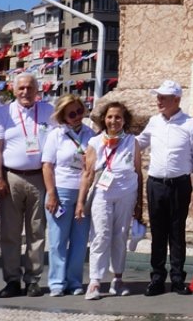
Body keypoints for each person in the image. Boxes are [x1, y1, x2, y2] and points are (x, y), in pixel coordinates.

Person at [137, 80, 193, 296]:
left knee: (177, 232)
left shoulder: (191, 124)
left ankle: (177, 278)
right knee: (157, 233)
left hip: (179, 184)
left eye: (163, 97)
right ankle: (157, 278)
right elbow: (138, 143)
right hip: (156, 183)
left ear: (176, 100)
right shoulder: (154, 122)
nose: (158, 100)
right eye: (158, 96)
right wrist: (111, 141)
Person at [0, 73, 54, 297]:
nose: (25, 92)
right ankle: (12, 279)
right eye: (21, 88)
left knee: (37, 231)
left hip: (39, 177)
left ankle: (33, 279)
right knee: (10, 232)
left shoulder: (48, 111)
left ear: (37, 90)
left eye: (30, 88)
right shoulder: (3, 112)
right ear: (14, 90)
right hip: (12, 177)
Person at [76, 102, 143, 300]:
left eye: (118, 117)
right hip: (102, 194)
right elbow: (87, 174)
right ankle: (95, 281)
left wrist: (140, 203)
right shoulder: (95, 142)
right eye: (110, 117)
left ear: (124, 120)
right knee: (101, 235)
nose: (113, 121)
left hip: (126, 193)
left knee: (121, 235)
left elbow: (138, 172)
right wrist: (80, 201)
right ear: (104, 119)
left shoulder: (132, 141)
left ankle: (118, 278)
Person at [42, 95, 95, 296]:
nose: (76, 117)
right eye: (71, 114)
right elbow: (47, 165)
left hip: (83, 191)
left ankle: (74, 281)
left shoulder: (90, 134)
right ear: (63, 116)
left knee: (80, 241)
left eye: (79, 112)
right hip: (61, 189)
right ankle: (56, 282)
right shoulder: (56, 135)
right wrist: (51, 193)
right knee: (57, 240)